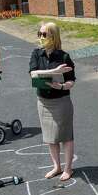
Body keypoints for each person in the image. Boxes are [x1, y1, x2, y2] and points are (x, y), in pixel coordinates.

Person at [29, 22, 76, 182]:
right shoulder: (36, 54)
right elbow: (33, 74)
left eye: (44, 35)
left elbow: (71, 81)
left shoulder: (64, 57)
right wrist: (53, 72)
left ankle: (68, 168)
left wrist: (61, 86)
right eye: (39, 34)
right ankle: (57, 166)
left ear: (53, 37)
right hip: (43, 101)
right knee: (50, 137)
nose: (41, 38)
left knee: (65, 136)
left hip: (61, 101)